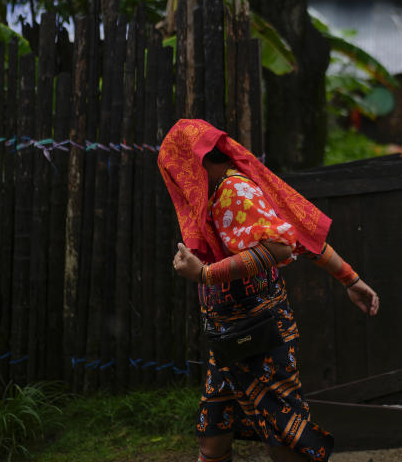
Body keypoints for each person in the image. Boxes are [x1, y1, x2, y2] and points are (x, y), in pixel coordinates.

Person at [158, 119, 379, 462]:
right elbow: (300, 236)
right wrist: (350, 278)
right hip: (228, 337)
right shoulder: (218, 193)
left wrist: (203, 274)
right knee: (212, 439)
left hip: (259, 334)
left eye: (176, 171)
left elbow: (280, 247)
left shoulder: (234, 191)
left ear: (193, 163)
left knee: (283, 438)